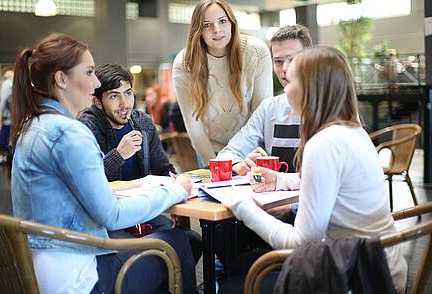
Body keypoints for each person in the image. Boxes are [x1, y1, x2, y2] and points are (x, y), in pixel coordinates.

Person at [10, 33, 196, 294]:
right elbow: (112, 214)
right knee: (178, 242)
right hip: (81, 277)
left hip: (43, 269)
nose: (95, 82)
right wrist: (175, 191)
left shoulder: (32, 126)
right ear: (61, 79)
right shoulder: (69, 133)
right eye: (88, 73)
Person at [220, 46, 407, 293]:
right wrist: (280, 180)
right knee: (239, 266)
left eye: (292, 79)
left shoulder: (323, 144)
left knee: (230, 285)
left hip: (360, 278)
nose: (285, 88)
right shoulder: (353, 132)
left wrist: (241, 206)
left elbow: (300, 243)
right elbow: (333, 183)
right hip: (382, 265)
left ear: (311, 89)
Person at [79, 64, 202, 263]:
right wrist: (119, 154)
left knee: (192, 240)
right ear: (98, 102)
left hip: (142, 213)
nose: (124, 103)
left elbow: (162, 168)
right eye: (113, 96)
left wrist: (177, 191)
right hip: (109, 222)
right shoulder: (87, 127)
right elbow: (88, 182)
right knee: (173, 245)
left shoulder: (142, 122)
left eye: (128, 93)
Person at [172, 0, 273, 166]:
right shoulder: (184, 63)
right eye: (207, 25)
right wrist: (215, 165)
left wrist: (241, 159)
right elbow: (193, 125)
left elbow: (261, 113)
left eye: (222, 21)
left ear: (232, 23)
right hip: (210, 151)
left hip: (251, 149)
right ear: (199, 31)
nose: (217, 30)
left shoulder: (256, 51)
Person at [216, 24, 312, 178]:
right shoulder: (269, 108)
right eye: (278, 61)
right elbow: (229, 153)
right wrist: (239, 164)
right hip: (273, 199)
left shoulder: (328, 105)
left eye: (292, 59)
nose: (285, 69)